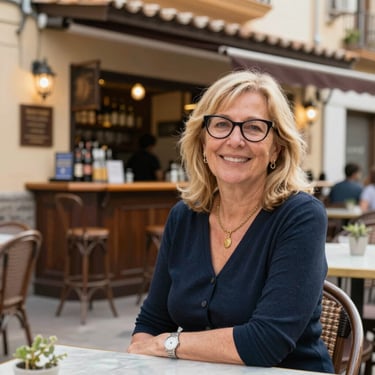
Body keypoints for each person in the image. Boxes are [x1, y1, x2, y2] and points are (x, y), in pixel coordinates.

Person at [127, 71, 332, 373]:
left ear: (277, 147)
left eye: (253, 128)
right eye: (221, 125)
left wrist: (165, 345)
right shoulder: (184, 217)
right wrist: (140, 353)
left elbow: (266, 342)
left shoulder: (300, 216)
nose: (235, 140)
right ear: (203, 141)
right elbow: (152, 322)